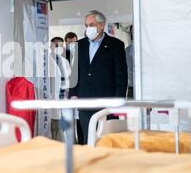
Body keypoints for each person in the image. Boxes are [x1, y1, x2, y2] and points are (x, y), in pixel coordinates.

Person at [69, 10, 127, 145]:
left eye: (91, 24)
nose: (88, 28)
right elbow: (75, 72)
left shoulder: (116, 45)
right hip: (84, 103)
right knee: (86, 141)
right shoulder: (80, 45)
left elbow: (121, 76)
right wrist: (73, 93)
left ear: (101, 25)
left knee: (104, 141)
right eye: (86, 25)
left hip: (106, 104)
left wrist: (117, 102)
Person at [49, 36, 71, 142]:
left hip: (64, 98)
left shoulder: (65, 62)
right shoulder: (46, 61)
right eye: (55, 45)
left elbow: (69, 79)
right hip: (53, 99)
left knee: (65, 127)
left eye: (60, 46)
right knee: (54, 126)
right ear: (51, 46)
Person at [125, 25, 134, 99]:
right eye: (133, 31)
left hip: (146, 88)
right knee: (131, 109)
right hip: (131, 87)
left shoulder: (147, 50)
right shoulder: (127, 50)